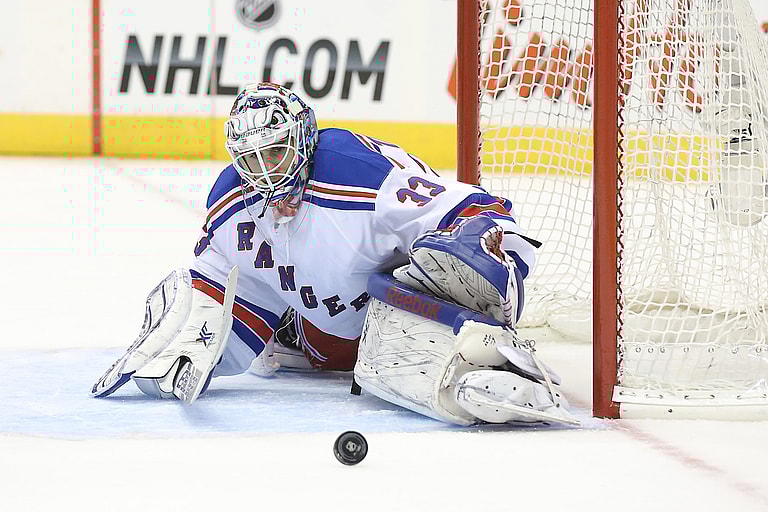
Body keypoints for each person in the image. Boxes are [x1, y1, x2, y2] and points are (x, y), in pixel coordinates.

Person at [91, 82, 576, 426]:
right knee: (321, 345)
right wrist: (198, 349)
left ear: (303, 141)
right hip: (324, 337)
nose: (264, 174)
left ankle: (478, 345)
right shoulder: (231, 204)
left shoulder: (354, 173)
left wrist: (485, 249)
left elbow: (472, 207)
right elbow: (230, 303)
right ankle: (303, 334)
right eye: (249, 160)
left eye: (274, 154)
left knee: (445, 277)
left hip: (400, 300)